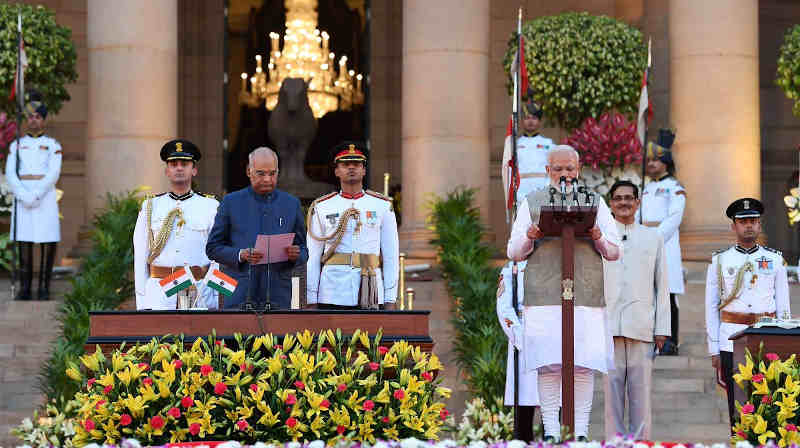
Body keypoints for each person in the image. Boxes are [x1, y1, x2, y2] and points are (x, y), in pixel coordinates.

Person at [507, 145, 620, 441]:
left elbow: (615, 250)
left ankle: (580, 433)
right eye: (558, 169)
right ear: (548, 171)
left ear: (579, 170)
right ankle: (552, 432)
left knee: (583, 363)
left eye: (570, 169)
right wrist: (530, 236)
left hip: (585, 293)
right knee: (548, 363)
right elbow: (513, 251)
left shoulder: (595, 201)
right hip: (544, 294)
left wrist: (598, 236)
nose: (565, 174)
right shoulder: (531, 202)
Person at [705, 198, 790, 426]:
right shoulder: (719, 260)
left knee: (770, 402)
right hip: (731, 339)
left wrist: (785, 342)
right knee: (738, 405)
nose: (749, 225)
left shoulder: (774, 259)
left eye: (753, 220)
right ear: (734, 226)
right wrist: (714, 347)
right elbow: (711, 307)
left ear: (760, 225)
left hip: (768, 338)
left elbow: (783, 307)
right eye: (743, 221)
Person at [604, 180, 671, 440]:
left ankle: (641, 444)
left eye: (628, 198)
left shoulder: (652, 237)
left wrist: (662, 328)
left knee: (641, 395)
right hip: (608, 328)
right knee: (612, 398)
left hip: (642, 327)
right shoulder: (602, 237)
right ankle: (614, 443)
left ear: (637, 203)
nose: (623, 203)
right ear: (611, 203)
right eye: (618, 198)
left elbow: (662, 286)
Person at [206, 147, 308, 309]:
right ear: (249, 171)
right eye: (261, 173)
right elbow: (212, 248)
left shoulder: (291, 204)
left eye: (272, 173)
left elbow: (304, 251)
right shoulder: (231, 202)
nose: (267, 179)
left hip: (278, 295)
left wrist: (296, 254)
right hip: (238, 293)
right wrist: (241, 254)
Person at [306, 142, 399, 309]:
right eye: (345, 164)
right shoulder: (322, 207)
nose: (351, 168)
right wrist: (311, 297)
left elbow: (391, 256)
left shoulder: (382, 206)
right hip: (333, 290)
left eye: (356, 164)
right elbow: (312, 256)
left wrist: (390, 298)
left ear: (364, 170)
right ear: (336, 171)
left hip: (371, 288)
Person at [133, 139, 220, 310]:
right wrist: (142, 301)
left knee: (197, 337)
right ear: (167, 170)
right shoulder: (150, 206)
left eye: (185, 163)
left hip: (198, 288)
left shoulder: (211, 206)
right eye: (173, 164)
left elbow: (217, 256)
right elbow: (141, 255)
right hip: (159, 292)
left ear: (194, 170)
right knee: (160, 337)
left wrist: (214, 296)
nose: (179, 168)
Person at [6, 99, 62, 301]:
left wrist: (36, 194)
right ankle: (25, 288)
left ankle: (44, 288)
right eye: (30, 117)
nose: (33, 120)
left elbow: (54, 173)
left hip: (44, 198)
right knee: (24, 243)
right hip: (22, 198)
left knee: (47, 243)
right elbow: (11, 173)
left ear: (44, 120)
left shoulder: (53, 145)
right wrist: (23, 195)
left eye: (37, 117)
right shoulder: (16, 145)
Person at [639, 128, 685, 355]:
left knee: (667, 295)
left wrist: (654, 237)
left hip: (664, 245)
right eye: (649, 161)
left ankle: (670, 342)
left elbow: (674, 218)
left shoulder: (675, 188)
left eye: (656, 160)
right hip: (644, 245)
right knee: (648, 295)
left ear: (666, 162)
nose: (651, 164)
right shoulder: (645, 188)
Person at [496, 261, 539, 442]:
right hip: (522, 340)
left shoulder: (556, 260)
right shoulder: (512, 267)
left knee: (553, 410)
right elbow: (504, 307)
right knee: (523, 408)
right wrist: (521, 338)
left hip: (550, 341)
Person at [502, 96, 555, 209]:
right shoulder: (514, 145)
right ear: (522, 121)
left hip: (543, 190)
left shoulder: (549, 144)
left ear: (540, 121)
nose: (530, 121)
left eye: (534, 118)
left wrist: (548, 188)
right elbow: (509, 170)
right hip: (521, 191)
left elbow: (554, 168)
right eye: (527, 118)